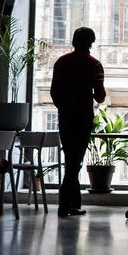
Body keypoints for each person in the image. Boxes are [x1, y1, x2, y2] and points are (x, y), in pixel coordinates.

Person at [50, 27, 106, 217]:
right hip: (83, 117)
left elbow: (53, 92)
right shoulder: (94, 65)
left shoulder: (61, 62)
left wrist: (64, 107)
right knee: (75, 161)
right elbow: (100, 97)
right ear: (92, 42)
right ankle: (65, 204)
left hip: (65, 116)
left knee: (70, 159)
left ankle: (72, 204)